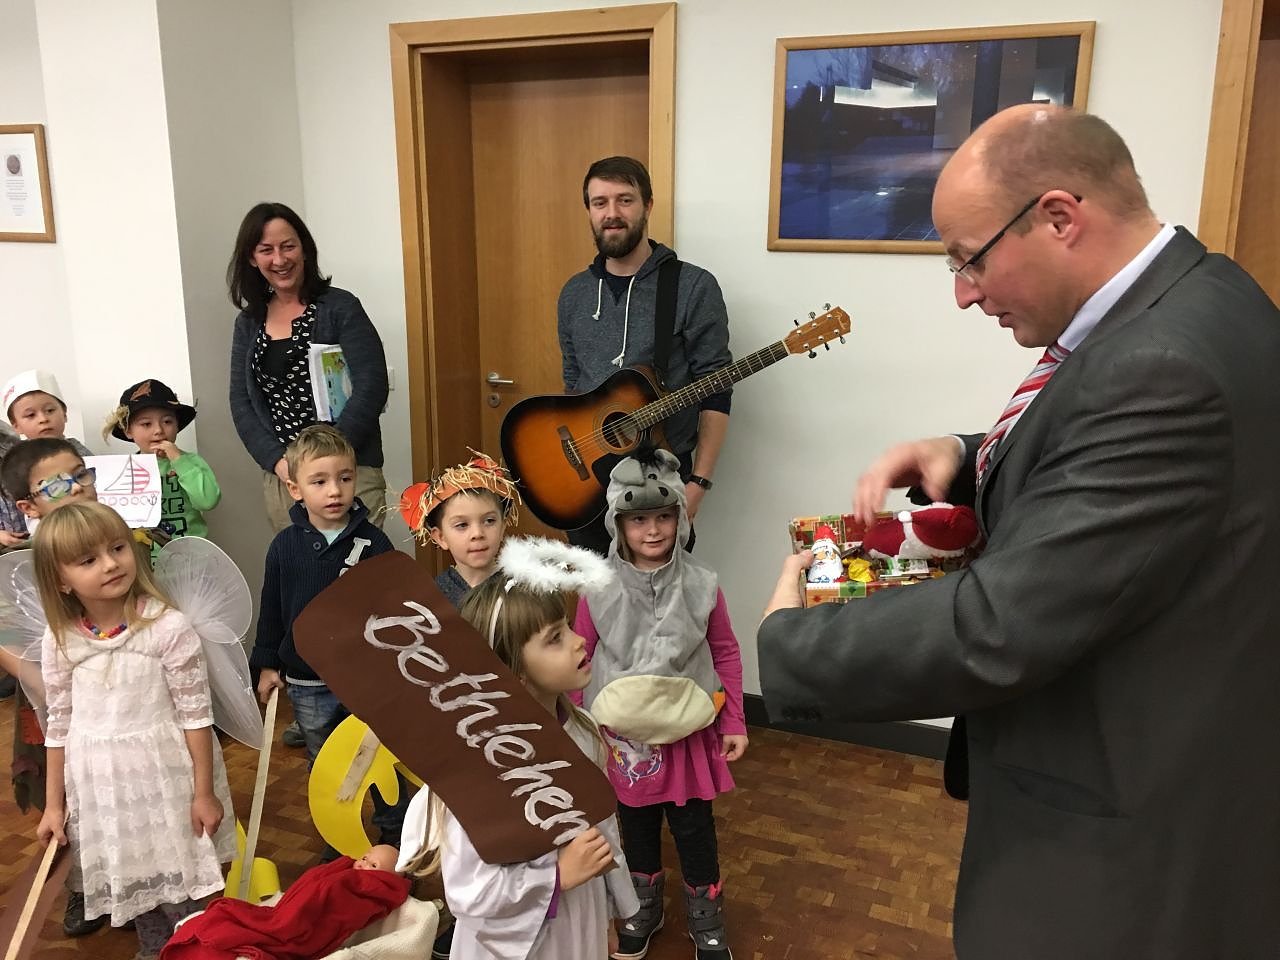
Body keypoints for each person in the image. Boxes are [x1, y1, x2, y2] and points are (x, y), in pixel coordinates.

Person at [758, 105, 1280, 959]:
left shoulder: (1162, 368)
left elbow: (1000, 625)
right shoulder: (1200, 295)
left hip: (1122, 841)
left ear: (1060, 217)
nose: (964, 292)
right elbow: (1109, 470)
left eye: (969, 259)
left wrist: (793, 640)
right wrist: (965, 455)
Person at [400, 559, 638, 960]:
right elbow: (468, 892)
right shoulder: (481, 768)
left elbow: (602, 832)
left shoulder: (583, 731)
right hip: (517, 939)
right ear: (513, 672)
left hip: (581, 916)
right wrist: (556, 876)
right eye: (555, 638)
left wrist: (608, 916)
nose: (579, 640)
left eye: (567, 627)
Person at [31, 501, 237, 958]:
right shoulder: (59, 639)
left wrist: (204, 793)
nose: (110, 564)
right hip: (103, 786)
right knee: (136, 876)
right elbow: (59, 725)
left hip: (167, 780)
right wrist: (53, 805)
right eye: (89, 560)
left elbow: (195, 715)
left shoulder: (167, 627)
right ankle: (154, 950)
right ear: (61, 580)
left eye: (118, 548)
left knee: (188, 888)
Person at [573, 448, 745, 959]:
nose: (653, 530)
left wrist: (734, 720)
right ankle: (642, 907)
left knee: (694, 829)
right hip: (623, 741)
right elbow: (579, 656)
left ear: (680, 518)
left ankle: (706, 915)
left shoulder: (703, 583)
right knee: (636, 827)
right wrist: (578, 727)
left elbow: (725, 651)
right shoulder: (596, 587)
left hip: (688, 734)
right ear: (617, 523)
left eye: (664, 517)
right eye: (638, 519)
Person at [557, 156, 732, 553]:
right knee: (592, 590)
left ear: (648, 205)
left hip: (661, 487)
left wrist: (698, 483)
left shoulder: (693, 286)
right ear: (589, 211)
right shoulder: (574, 294)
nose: (612, 213)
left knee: (664, 592)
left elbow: (716, 391)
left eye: (625, 200)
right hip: (584, 484)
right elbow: (572, 385)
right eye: (600, 202)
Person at [250, 424, 407, 846]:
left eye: (344, 478)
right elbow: (272, 608)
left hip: (366, 679)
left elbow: (393, 608)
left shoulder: (374, 543)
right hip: (308, 680)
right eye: (319, 481)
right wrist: (267, 664)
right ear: (295, 489)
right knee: (324, 762)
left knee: (378, 755)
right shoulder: (284, 547)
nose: (334, 491)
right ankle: (337, 840)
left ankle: (395, 838)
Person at [226, 202, 390, 535]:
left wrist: (329, 459)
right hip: (286, 478)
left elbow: (372, 384)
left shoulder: (340, 307)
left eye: (288, 246)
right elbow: (241, 400)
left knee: (362, 566)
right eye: (266, 250)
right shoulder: (249, 322)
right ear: (252, 258)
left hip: (349, 472)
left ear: (304, 249)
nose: (280, 259)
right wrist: (279, 462)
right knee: (299, 566)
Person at [0, 436, 107, 938]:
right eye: (57, 484)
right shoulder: (21, 564)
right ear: (29, 507)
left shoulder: (121, 541)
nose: (77, 488)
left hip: (122, 691)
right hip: (54, 697)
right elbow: (6, 633)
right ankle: (82, 886)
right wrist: (45, 684)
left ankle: (133, 879)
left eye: (80, 474)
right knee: (67, 794)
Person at [161, 844, 411, 960]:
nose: (362, 864)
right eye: (365, 857)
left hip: (300, 930)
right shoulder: (345, 873)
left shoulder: (366, 890)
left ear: (385, 878)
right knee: (231, 920)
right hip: (283, 916)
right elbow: (310, 889)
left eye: (373, 865)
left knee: (260, 929)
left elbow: (332, 906)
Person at [103, 378, 221, 561]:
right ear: (128, 431)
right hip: (145, 562)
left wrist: (179, 461)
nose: (158, 430)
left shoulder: (191, 462)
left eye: (167, 421)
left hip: (192, 559)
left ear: (177, 425)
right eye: (146, 424)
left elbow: (207, 502)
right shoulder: (124, 470)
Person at [400, 451, 520, 607]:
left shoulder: (522, 589)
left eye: (489, 521)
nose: (477, 533)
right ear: (441, 537)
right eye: (462, 525)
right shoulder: (433, 599)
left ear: (503, 526)